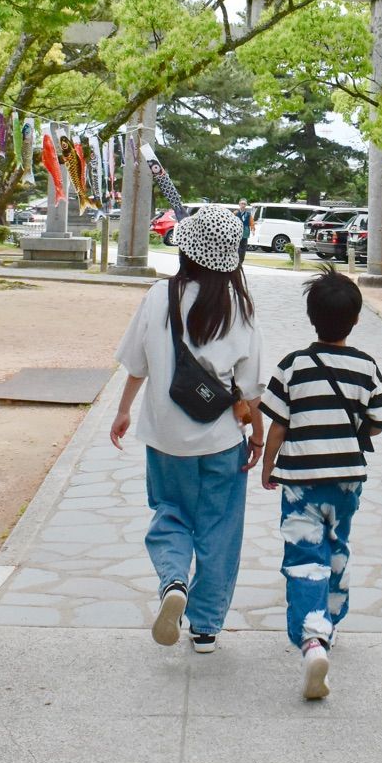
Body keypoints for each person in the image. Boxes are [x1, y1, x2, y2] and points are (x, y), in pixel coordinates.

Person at [111, 205, 264, 652]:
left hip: (165, 438)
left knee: (170, 514)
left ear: (186, 250)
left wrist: (123, 410)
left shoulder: (158, 296)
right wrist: (257, 436)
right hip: (220, 440)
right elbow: (251, 387)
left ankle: (174, 579)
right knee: (220, 529)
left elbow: (136, 364)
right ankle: (206, 627)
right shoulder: (240, 306)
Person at [259, 267, 382, 699]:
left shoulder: (292, 366)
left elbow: (278, 424)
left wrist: (268, 464)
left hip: (301, 483)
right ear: (354, 321)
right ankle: (332, 615)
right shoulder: (367, 367)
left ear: (311, 317)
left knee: (303, 554)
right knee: (337, 544)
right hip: (347, 481)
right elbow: (376, 425)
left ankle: (313, 637)